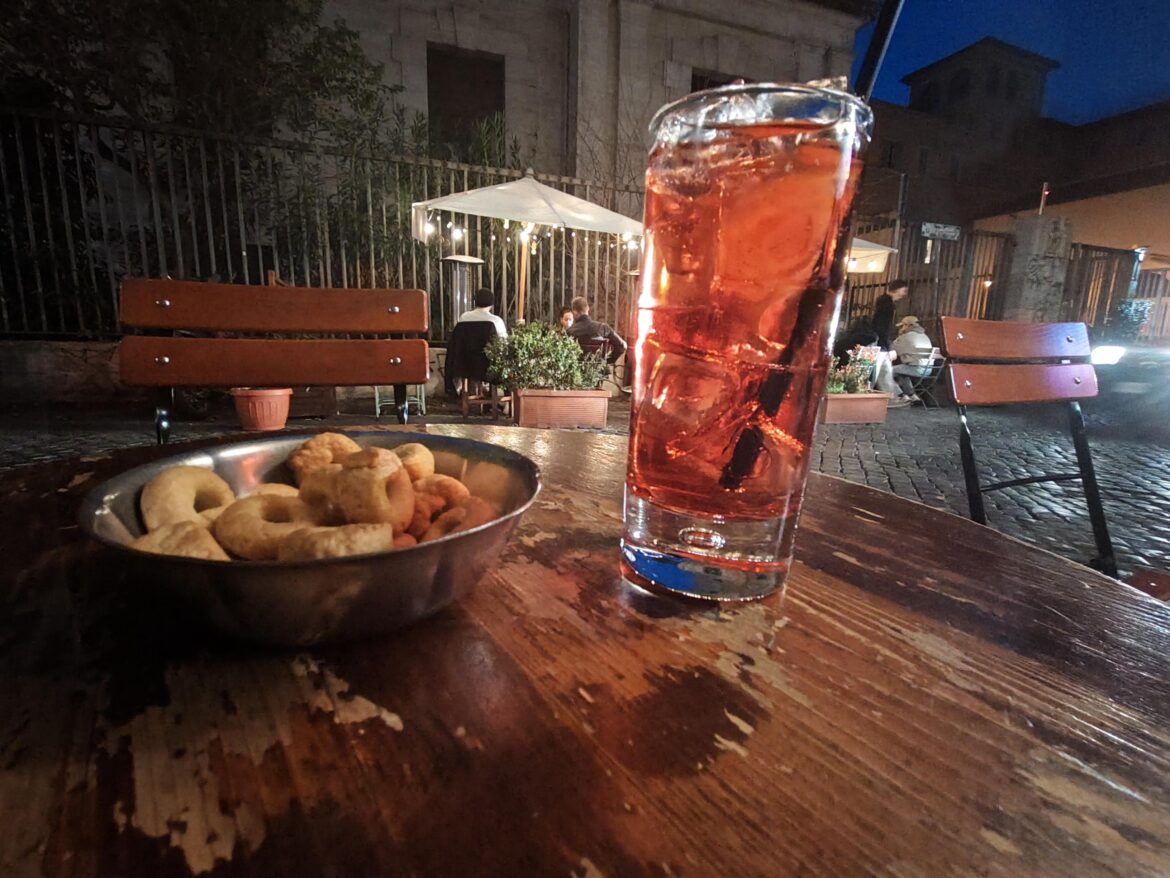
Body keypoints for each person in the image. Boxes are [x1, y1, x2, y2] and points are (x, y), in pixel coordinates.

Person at [567, 296, 626, 365]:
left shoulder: (570, 332)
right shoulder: (603, 328)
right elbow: (623, 345)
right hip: (599, 373)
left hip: (577, 373)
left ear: (574, 312)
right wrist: (607, 361)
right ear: (588, 309)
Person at [889, 315, 934, 404]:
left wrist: (900, 336)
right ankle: (911, 395)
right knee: (901, 371)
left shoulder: (906, 336)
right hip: (929, 369)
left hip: (916, 369)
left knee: (888, 370)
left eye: (902, 326)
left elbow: (892, 349)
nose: (901, 328)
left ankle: (900, 394)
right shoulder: (925, 336)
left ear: (908, 325)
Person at [872, 278, 909, 349]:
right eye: (904, 291)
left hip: (879, 337)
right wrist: (885, 342)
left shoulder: (885, 301)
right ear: (897, 289)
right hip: (881, 338)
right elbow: (883, 324)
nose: (905, 294)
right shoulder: (887, 304)